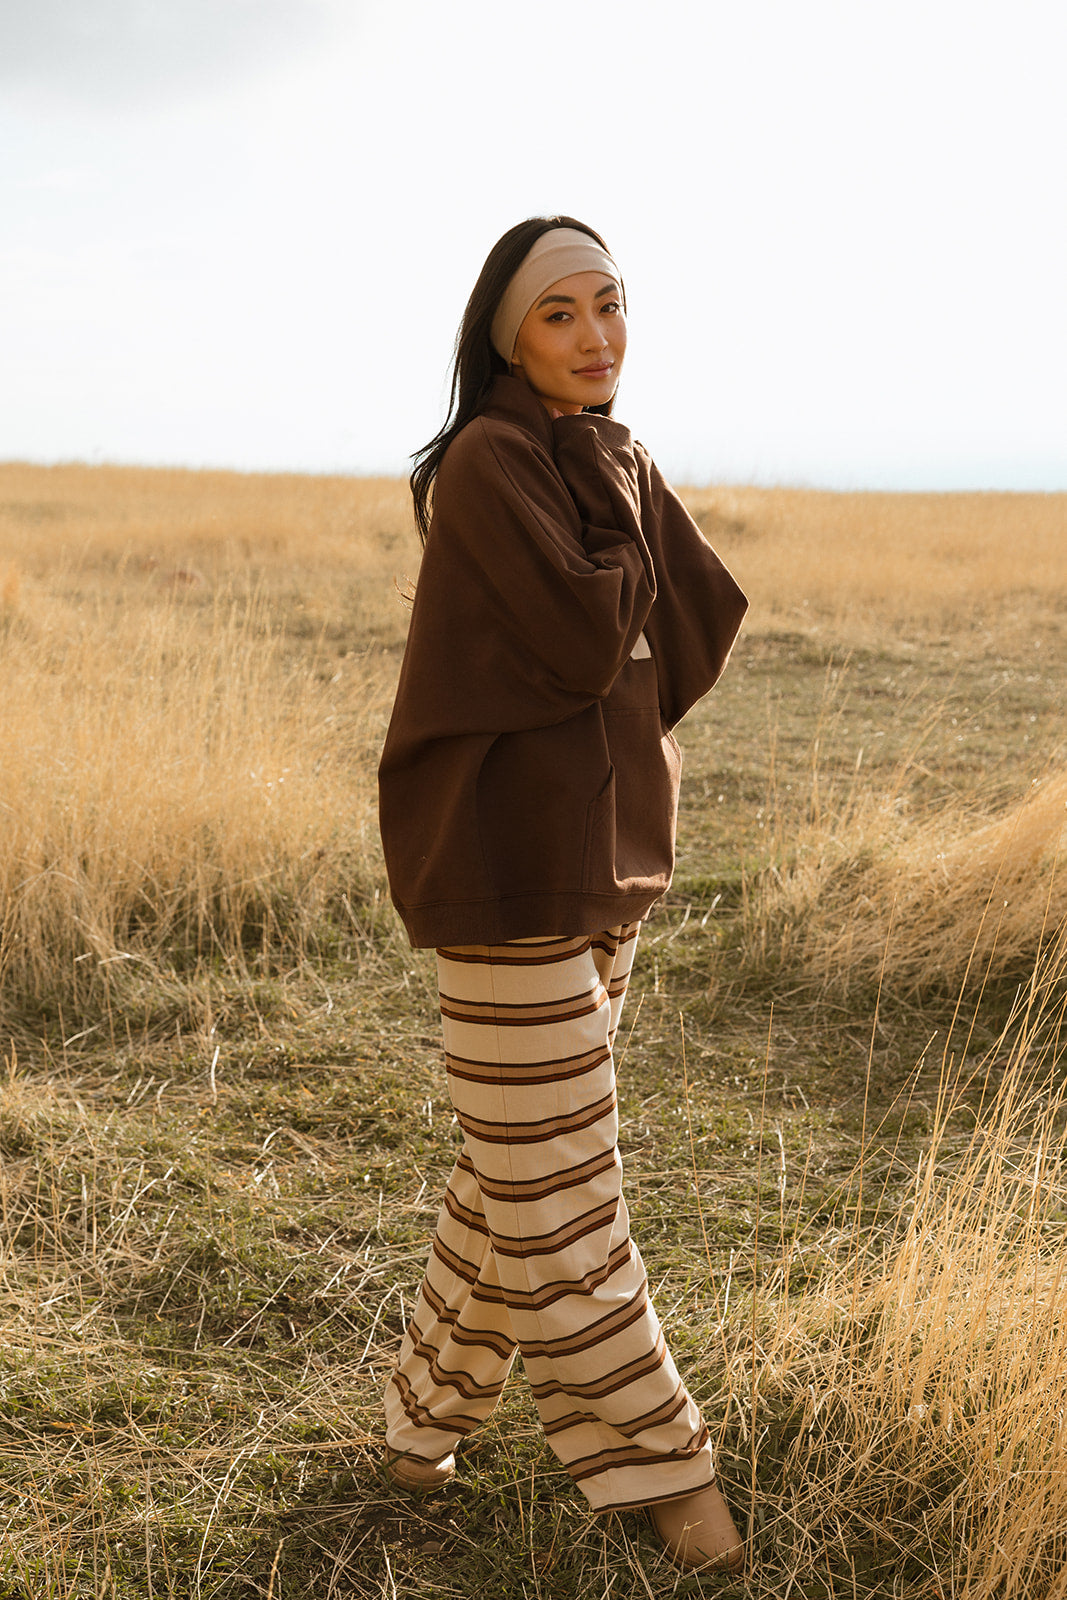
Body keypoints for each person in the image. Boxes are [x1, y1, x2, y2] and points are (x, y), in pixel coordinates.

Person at [376, 217, 749, 1573]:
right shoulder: (493, 461)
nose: (598, 335)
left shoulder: (605, 451)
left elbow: (695, 623)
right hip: (505, 868)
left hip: (605, 861)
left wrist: (630, 754)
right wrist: (617, 501)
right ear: (505, 336)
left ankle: (418, 1429)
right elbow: (595, 638)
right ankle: (670, 1471)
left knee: (518, 1175)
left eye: (612, 303)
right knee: (569, 1197)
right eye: (561, 313)